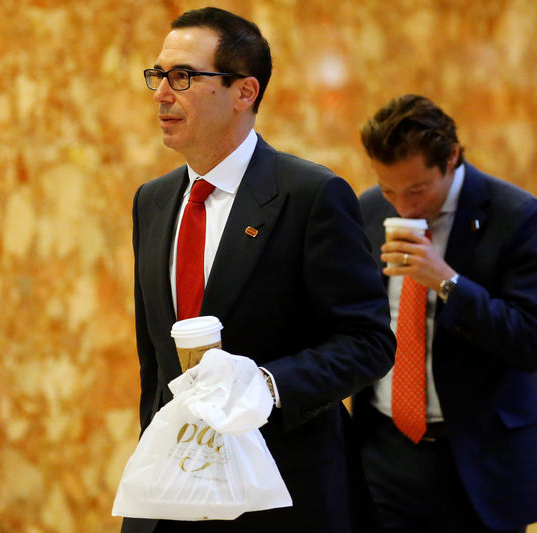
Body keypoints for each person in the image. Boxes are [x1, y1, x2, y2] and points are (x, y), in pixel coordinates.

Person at [122, 7, 395, 533]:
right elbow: (153, 361)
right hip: (173, 491)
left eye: (182, 76)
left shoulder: (310, 195)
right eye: (158, 75)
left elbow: (368, 342)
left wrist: (268, 385)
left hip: (281, 492)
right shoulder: (152, 202)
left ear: (244, 92)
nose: (160, 93)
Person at [352, 94, 537, 532]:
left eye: (417, 189)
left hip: (478, 453)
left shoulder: (517, 216)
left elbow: (531, 342)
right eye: (391, 189)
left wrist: (446, 281)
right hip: (385, 447)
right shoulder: (370, 208)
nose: (404, 207)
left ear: (451, 158)